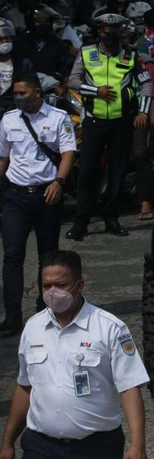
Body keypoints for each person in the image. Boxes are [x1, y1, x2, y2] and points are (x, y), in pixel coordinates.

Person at [0, 250, 149, 459]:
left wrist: (138, 445)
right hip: (42, 448)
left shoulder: (109, 328)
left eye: (60, 285)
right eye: (46, 286)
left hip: (97, 450)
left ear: (80, 285)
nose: (52, 292)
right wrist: (7, 442)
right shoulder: (33, 328)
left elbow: (129, 388)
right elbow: (25, 387)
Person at [0, 74, 77, 335]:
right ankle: (12, 318)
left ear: (36, 93)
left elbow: (68, 152)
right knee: (12, 256)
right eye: (15, 93)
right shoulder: (8, 119)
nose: (17, 97)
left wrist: (59, 182)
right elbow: (3, 157)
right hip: (16, 196)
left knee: (48, 257)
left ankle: (44, 312)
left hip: (47, 195)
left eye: (22, 93)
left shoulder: (57, 117)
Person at [66, 14, 153, 240]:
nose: (111, 35)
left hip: (122, 121)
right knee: (87, 170)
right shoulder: (87, 53)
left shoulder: (131, 55)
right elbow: (73, 81)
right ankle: (81, 221)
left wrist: (143, 111)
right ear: (99, 32)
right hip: (94, 120)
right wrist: (96, 91)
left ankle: (111, 218)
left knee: (118, 170)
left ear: (121, 33)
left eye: (115, 31)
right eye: (107, 31)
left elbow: (146, 83)